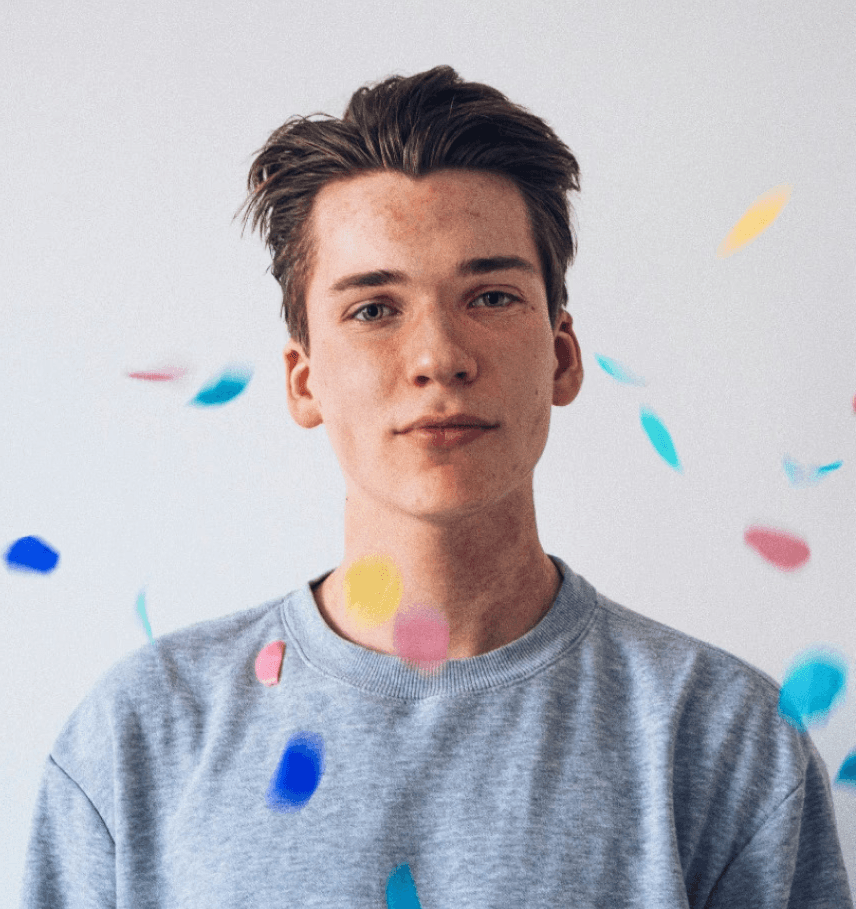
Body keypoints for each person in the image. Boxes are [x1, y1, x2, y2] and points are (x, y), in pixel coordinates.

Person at [20, 65, 852, 908]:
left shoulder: (724, 739)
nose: (438, 357)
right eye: (373, 309)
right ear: (304, 381)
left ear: (562, 356)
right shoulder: (140, 735)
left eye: (490, 296)